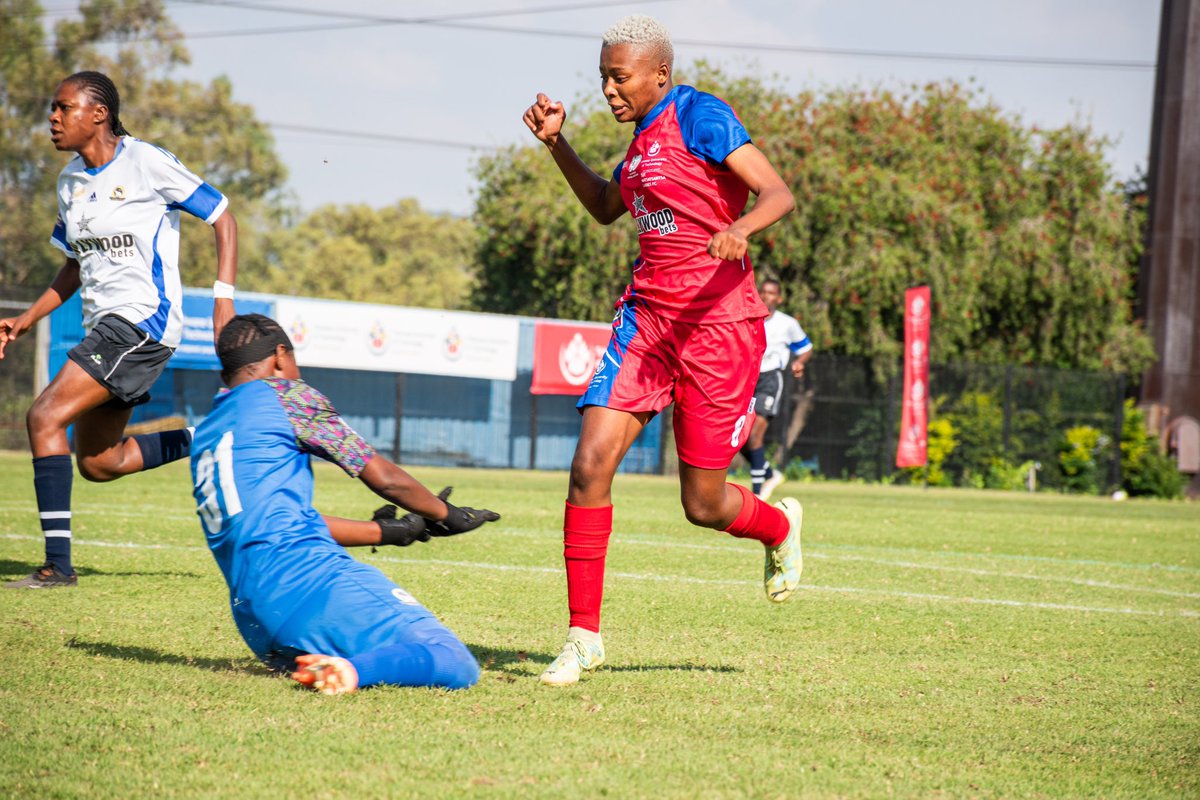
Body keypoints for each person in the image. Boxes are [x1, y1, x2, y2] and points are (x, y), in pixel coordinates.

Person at [522, 15, 802, 687]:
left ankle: (777, 528)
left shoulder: (700, 115)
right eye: (602, 79)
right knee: (590, 464)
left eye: (619, 78)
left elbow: (778, 192)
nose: (609, 91)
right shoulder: (642, 145)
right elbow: (602, 205)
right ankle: (582, 638)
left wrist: (739, 228)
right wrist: (558, 144)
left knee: (702, 504)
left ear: (659, 74)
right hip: (645, 322)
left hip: (719, 329)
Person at [2, 71, 239, 589]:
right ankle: (211, 437)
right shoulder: (70, 182)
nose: (53, 117)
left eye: (64, 107)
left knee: (43, 416)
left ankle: (57, 568)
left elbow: (222, 216)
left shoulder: (145, 162)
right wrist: (25, 319)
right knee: (101, 462)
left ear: (99, 113)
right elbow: (73, 265)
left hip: (141, 322)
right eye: (53, 108)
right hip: (106, 329)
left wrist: (223, 298)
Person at [191, 314, 500, 694]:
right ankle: (349, 673)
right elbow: (384, 478)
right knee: (452, 658)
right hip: (310, 588)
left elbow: (282, 521)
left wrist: (389, 532)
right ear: (279, 356)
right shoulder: (287, 396)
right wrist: (447, 515)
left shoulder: (209, 428)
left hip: (258, 618)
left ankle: (334, 664)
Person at [740, 278, 813, 501]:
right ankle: (770, 474)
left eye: (771, 293)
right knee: (739, 437)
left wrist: (800, 362)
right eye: (763, 291)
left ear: (778, 298)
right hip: (747, 380)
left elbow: (806, 347)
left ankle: (757, 494)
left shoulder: (786, 323)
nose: (766, 296)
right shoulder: (749, 318)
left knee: (754, 435)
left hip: (770, 380)